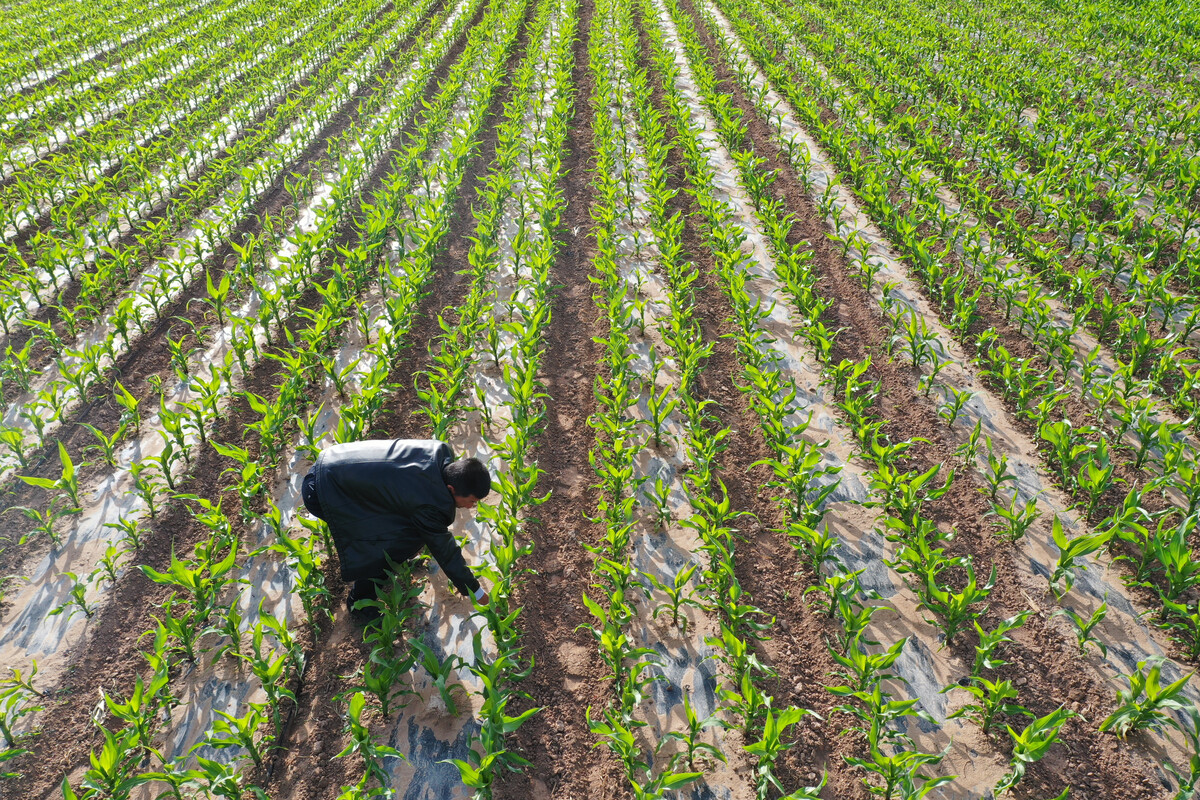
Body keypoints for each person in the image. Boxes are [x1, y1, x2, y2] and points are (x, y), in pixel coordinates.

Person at [301, 438, 491, 618]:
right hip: (324, 492)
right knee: (381, 546)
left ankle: (390, 565)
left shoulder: (440, 453)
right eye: (470, 501)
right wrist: (475, 590)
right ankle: (359, 602)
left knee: (408, 531)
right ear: (451, 489)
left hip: (332, 461)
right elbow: (445, 551)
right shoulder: (429, 502)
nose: (470, 507)